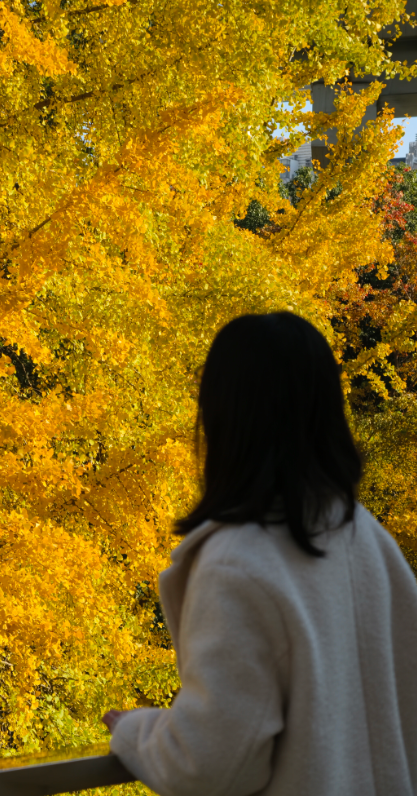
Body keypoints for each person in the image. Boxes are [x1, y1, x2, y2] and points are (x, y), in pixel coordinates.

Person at [102, 312, 417, 796]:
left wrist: (135, 732)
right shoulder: (366, 538)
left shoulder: (237, 564)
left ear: (223, 415)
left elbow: (210, 764)